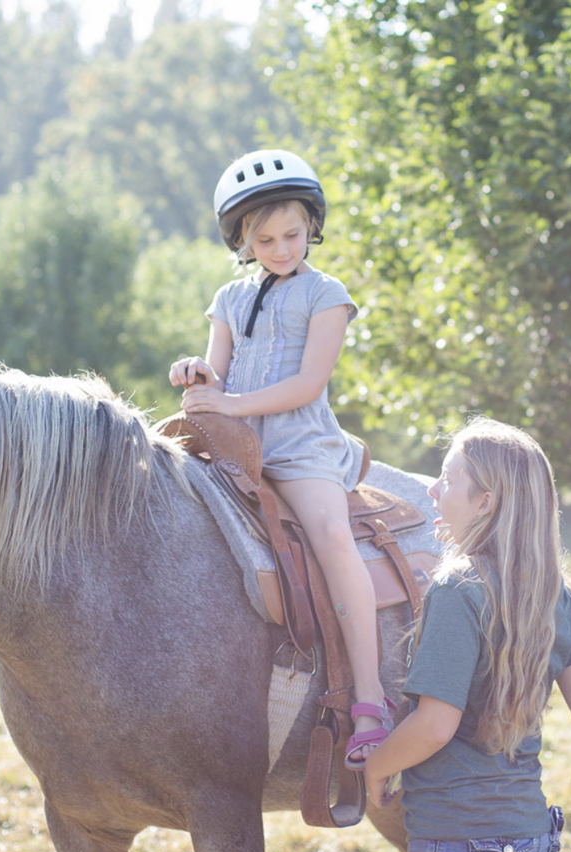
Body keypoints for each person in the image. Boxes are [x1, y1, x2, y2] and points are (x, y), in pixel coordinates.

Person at [169, 149, 393, 767]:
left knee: (329, 535)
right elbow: (217, 365)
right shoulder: (229, 298)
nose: (280, 248)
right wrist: (196, 372)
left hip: (298, 446)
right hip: (231, 445)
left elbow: (307, 386)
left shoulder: (326, 295)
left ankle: (372, 698)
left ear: (311, 227)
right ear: (241, 240)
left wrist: (230, 403)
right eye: (263, 238)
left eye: (292, 234)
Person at [363, 417, 571, 852]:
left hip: (457, 844)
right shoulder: (558, 597)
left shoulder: (458, 588)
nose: (432, 490)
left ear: (487, 500)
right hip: (527, 842)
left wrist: (375, 767)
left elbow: (435, 726)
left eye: (449, 478)